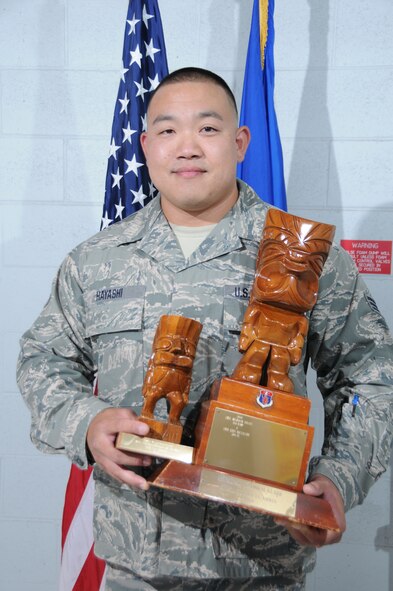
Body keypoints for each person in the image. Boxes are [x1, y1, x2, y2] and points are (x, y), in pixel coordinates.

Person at [17, 67, 393, 591]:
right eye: (168, 131)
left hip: (263, 566)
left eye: (208, 129)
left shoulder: (305, 259)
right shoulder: (96, 262)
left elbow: (373, 379)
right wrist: (86, 422)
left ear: (240, 143)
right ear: (144, 146)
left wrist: (338, 477)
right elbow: (43, 361)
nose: (187, 147)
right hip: (134, 566)